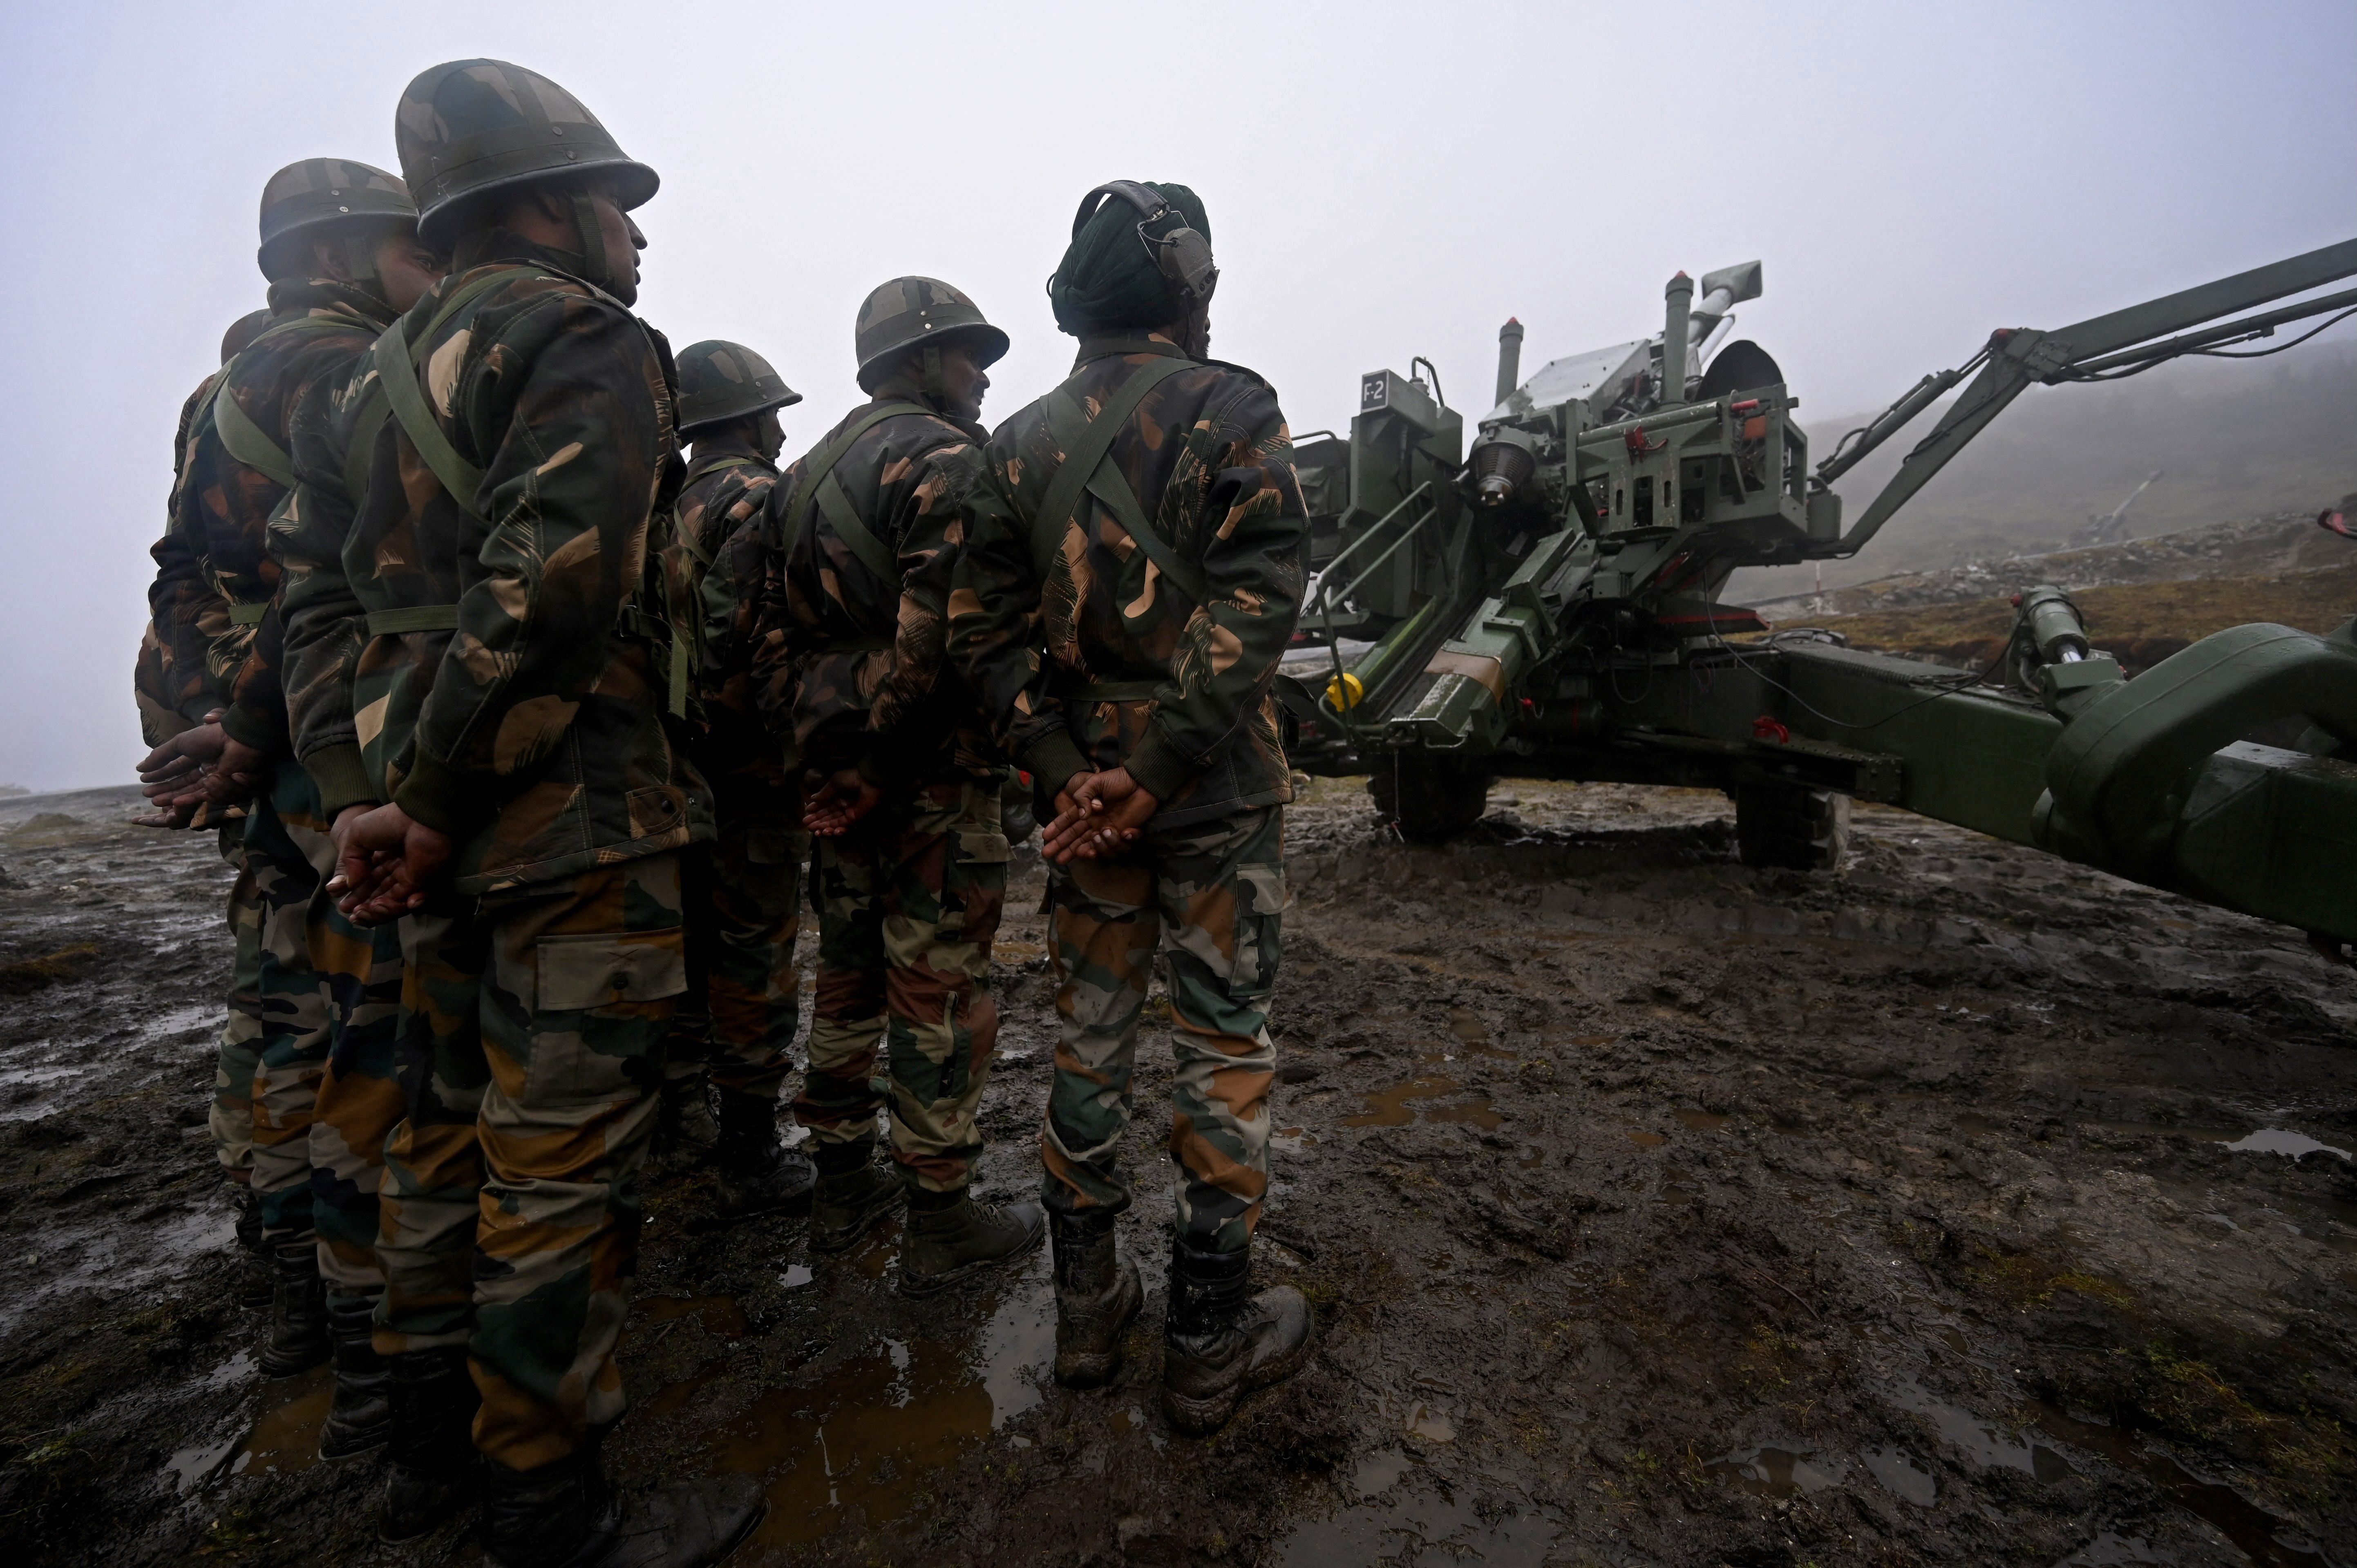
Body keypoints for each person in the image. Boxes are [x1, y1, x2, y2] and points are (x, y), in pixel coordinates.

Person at [274, 59, 760, 1565]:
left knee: (436, 1132)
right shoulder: (583, 335)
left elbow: (312, 614)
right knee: (558, 1166)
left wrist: (363, 802)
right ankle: (549, 1507)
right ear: (547, 205)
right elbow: (551, 589)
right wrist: (427, 798)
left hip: (417, 835)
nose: (637, 232)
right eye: (616, 201)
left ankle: (424, 1450)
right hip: (568, 828)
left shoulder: (363, 375)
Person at [948, 181, 1312, 1433]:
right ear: (1183, 280)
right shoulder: (1232, 407)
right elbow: (1261, 600)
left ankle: (1089, 1319)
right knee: (1223, 1046)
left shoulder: (1010, 448)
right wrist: (1156, 768)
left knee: (1088, 1041)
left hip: (1083, 809)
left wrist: (1068, 769)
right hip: (1211, 794)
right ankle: (1209, 1341)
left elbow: (981, 636)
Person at [135, 164, 441, 1461]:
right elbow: (332, 582)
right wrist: (264, 728)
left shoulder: (216, 395)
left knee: (278, 1023)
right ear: (341, 255)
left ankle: (292, 1295)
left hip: (263, 760)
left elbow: (178, 582)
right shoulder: (352, 371)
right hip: (337, 751)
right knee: (376, 1048)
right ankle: (374, 1367)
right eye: (411, 250)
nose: (431, 271)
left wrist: (208, 726)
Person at [745, 277, 1041, 1291]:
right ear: (917, 361)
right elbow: (945, 631)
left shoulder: (798, 476)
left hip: (837, 773)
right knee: (937, 984)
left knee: (848, 971)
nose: (983, 374)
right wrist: (877, 762)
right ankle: (941, 1217)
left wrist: (819, 760)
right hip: (927, 777)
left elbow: (762, 635)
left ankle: (841, 1182)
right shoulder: (944, 458)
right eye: (966, 354)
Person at [133, 304, 272, 1307]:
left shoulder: (185, 581)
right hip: (295, 751)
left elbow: (164, 677)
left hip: (250, 762)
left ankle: (266, 1208)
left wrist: (212, 720)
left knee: (269, 991)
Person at [658, 338, 813, 1216]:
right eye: (774, 415)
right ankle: (750, 1151)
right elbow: (767, 643)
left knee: (684, 944)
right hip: (747, 771)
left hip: (669, 765)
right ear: (750, 420)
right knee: (754, 951)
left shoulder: (662, 507)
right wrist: (804, 754)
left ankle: (679, 1115)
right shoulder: (757, 497)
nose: (782, 432)